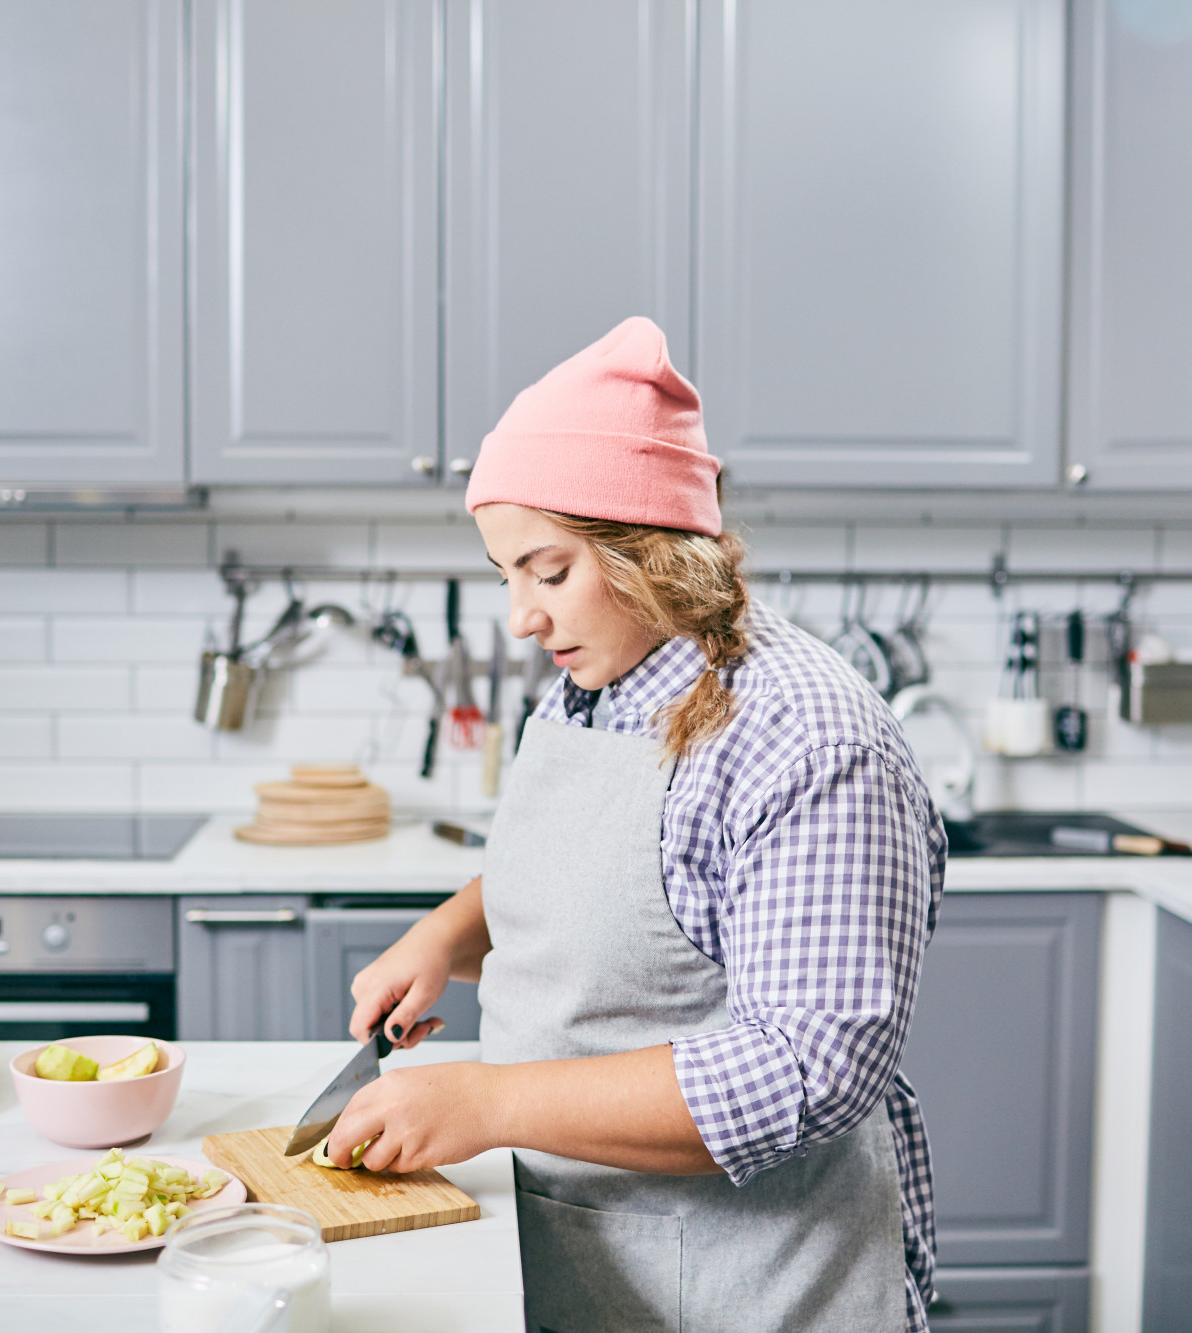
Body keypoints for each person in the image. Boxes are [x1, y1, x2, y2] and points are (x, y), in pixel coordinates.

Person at [327, 316, 945, 1332]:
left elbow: (804, 1069)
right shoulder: (599, 684)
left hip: (751, 1285)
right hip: (597, 1254)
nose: (520, 615)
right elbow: (614, 881)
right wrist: (445, 933)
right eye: (505, 575)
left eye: (546, 568)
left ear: (645, 549)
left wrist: (484, 1102)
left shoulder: (807, 739)